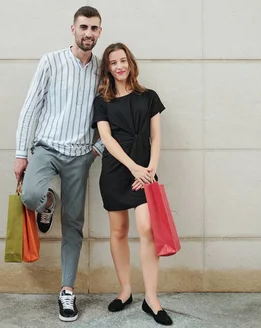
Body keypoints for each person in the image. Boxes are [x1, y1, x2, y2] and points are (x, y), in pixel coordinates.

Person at [14, 6, 105, 322]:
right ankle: (48, 200)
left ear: (99, 32)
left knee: (73, 225)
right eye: (83, 27)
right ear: (73, 29)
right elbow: (30, 108)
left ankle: (67, 292)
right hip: (46, 148)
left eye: (94, 28)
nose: (88, 33)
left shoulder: (102, 70)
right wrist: (21, 153)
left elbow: (116, 114)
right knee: (30, 196)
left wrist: (97, 150)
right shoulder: (50, 61)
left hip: (81, 156)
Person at [91, 42, 173, 325]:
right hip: (116, 170)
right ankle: (125, 290)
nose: (119, 66)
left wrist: (150, 169)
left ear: (130, 62)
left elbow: (157, 137)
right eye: (113, 63)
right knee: (118, 231)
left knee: (147, 229)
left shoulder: (148, 97)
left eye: (123, 60)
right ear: (108, 68)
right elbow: (107, 139)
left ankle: (151, 298)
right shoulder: (102, 100)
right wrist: (133, 167)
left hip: (145, 172)